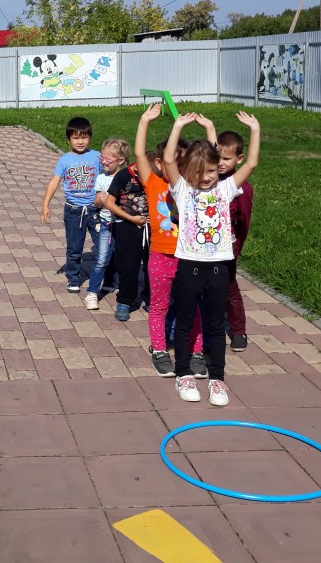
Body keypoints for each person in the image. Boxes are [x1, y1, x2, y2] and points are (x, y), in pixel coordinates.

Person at [163, 111, 260, 406]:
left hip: (219, 267)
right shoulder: (182, 189)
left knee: (216, 325)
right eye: (200, 173)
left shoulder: (226, 188)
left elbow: (251, 163)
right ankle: (183, 374)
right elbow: (168, 160)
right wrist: (178, 126)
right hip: (189, 267)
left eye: (211, 172)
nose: (206, 178)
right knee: (185, 322)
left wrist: (254, 129)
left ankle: (217, 379)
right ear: (188, 172)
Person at [132, 105, 206, 377]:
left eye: (181, 163)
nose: (176, 167)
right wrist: (144, 121)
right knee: (159, 305)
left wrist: (208, 129)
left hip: (189, 258)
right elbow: (139, 153)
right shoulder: (152, 182)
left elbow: (209, 158)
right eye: (170, 162)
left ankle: (196, 352)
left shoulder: (193, 187)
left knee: (193, 306)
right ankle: (160, 350)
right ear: (159, 163)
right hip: (160, 257)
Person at [40, 116, 102, 293]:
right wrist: (45, 205)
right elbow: (54, 181)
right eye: (76, 138)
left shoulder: (97, 156)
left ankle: (109, 277)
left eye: (84, 137)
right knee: (74, 248)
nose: (80, 141)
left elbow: (112, 175)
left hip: (96, 210)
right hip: (73, 211)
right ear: (68, 140)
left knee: (105, 246)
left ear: (90, 137)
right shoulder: (65, 160)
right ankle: (73, 277)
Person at [103, 142, 151, 323]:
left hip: (151, 228)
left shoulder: (154, 174)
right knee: (128, 266)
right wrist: (131, 218)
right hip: (127, 226)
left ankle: (151, 297)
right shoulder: (123, 176)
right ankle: (124, 301)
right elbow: (109, 203)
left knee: (152, 265)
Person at [217, 130, 254, 352]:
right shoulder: (207, 180)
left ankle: (238, 330)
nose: (221, 163)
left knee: (230, 288)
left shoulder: (242, 188)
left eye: (226, 158)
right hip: (205, 247)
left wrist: (236, 247)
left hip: (228, 248)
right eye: (218, 157)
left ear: (239, 159)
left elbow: (243, 223)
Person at [86, 138, 129, 311]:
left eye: (108, 159)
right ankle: (92, 292)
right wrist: (100, 200)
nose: (103, 162)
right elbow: (96, 202)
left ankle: (119, 287)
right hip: (106, 224)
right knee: (102, 258)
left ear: (121, 160)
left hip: (124, 225)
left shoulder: (127, 178)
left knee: (123, 259)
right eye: (102, 158)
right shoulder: (101, 178)